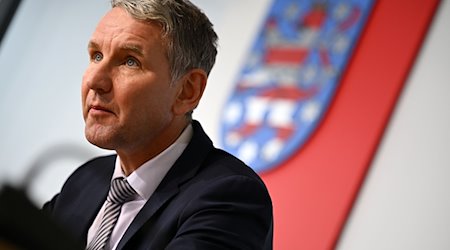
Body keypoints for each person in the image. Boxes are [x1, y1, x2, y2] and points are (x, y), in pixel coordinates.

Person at [42, 0, 273, 249]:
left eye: (130, 61)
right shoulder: (85, 181)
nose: (96, 80)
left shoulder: (229, 197)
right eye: (96, 55)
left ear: (186, 91)